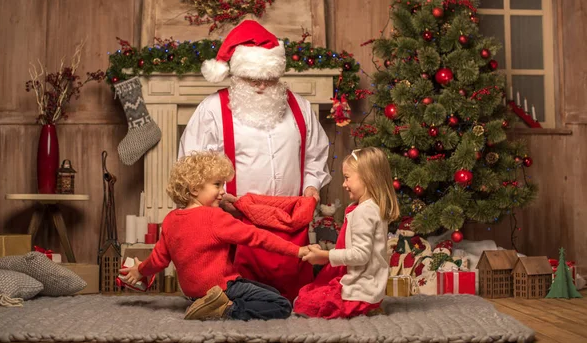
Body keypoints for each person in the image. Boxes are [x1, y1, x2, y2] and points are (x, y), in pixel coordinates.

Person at [178, 20, 331, 300]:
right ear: (237, 75)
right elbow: (192, 167)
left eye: (269, 78)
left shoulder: (301, 107)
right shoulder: (211, 110)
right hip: (235, 221)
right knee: (238, 299)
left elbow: (315, 155)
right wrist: (217, 201)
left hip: (289, 223)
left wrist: (312, 187)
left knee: (294, 300)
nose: (261, 86)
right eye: (252, 79)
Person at [119, 151, 310, 320]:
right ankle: (225, 310)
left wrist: (140, 270)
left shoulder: (170, 220)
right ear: (194, 189)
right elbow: (258, 237)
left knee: (271, 292)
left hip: (193, 293)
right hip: (222, 288)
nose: (222, 192)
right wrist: (298, 250)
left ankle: (209, 304)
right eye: (217, 185)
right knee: (281, 304)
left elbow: (158, 260)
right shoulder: (215, 216)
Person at [294, 147, 400, 319]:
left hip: (360, 289)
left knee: (306, 302)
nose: (343, 184)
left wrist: (326, 255)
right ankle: (369, 306)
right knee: (310, 294)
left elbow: (361, 255)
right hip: (372, 288)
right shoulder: (371, 208)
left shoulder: (363, 212)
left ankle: (361, 307)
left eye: (347, 178)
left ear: (367, 178)